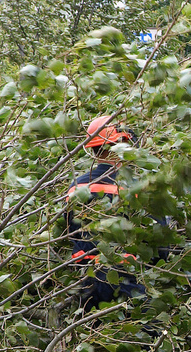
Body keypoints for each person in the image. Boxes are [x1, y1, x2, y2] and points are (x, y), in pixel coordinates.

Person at [64, 116, 161, 311]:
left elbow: (72, 231)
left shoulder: (76, 188)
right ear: (123, 145)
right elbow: (159, 238)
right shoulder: (138, 189)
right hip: (129, 279)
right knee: (147, 331)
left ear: (92, 148)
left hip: (88, 279)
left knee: (93, 330)